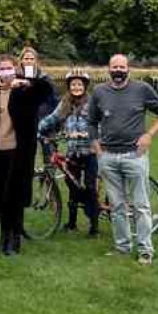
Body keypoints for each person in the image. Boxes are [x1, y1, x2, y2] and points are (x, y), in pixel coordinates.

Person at [89, 54, 158, 266]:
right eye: (114, 66)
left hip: (135, 156)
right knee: (116, 206)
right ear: (108, 69)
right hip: (108, 157)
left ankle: (145, 250)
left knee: (141, 206)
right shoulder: (99, 92)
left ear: (128, 69)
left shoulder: (141, 89)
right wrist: (95, 143)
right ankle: (122, 247)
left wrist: (148, 135)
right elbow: (91, 121)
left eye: (122, 67)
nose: (118, 70)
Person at [0, 53, 54, 256]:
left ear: (16, 69)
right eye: (2, 68)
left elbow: (46, 90)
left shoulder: (24, 90)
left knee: (15, 196)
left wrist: (27, 82)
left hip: (19, 153)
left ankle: (15, 237)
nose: (5, 72)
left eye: (9, 68)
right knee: (0, 196)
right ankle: (4, 234)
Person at [38, 69, 98, 236]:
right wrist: (38, 129)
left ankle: (94, 226)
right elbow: (52, 118)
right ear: (69, 86)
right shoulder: (65, 103)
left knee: (91, 187)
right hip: (73, 152)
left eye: (79, 84)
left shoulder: (92, 103)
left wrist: (89, 134)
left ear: (85, 86)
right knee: (72, 186)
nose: (76, 87)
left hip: (90, 152)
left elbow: (99, 123)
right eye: (73, 84)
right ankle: (71, 223)